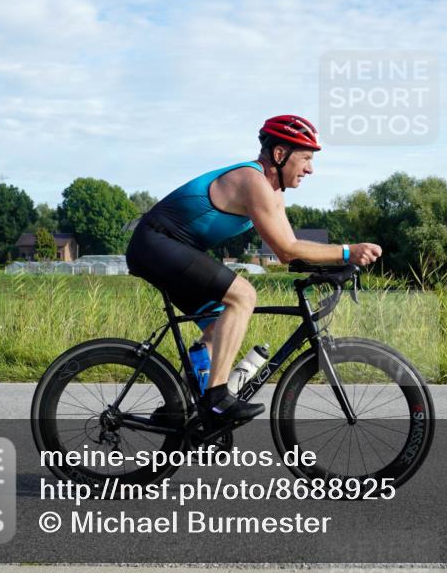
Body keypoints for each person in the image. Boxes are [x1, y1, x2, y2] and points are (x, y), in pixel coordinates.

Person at [125, 114, 382, 423]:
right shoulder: (253, 181)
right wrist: (347, 251)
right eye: (305, 159)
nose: (310, 169)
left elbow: (291, 251)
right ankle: (217, 398)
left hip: (170, 249)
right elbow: (287, 250)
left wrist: (340, 264)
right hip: (155, 243)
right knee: (243, 296)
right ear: (279, 154)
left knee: (217, 325)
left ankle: (177, 407)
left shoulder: (273, 193)